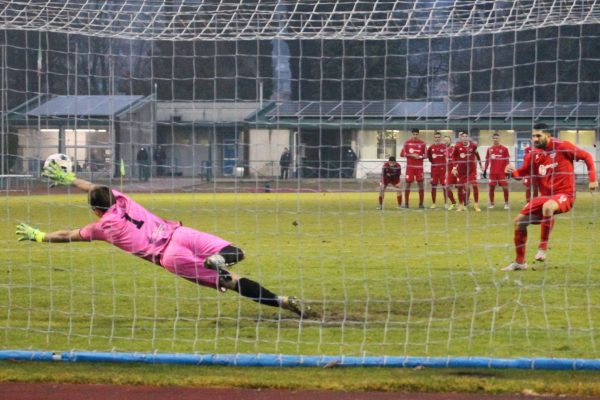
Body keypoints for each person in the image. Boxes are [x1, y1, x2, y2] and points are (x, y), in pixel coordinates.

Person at [15, 163, 314, 318]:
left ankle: (281, 302)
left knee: (231, 282)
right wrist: (72, 180)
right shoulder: (123, 199)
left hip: (170, 257)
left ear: (94, 210)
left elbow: (66, 236)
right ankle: (229, 265)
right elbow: (96, 188)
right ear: (112, 195)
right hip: (179, 233)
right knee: (236, 251)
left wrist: (38, 235)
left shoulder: (102, 227)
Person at [502, 123, 597, 271]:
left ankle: (542, 248)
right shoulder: (533, 154)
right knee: (519, 222)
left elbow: (587, 156)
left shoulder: (562, 146)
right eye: (533, 136)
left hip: (565, 195)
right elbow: (521, 174)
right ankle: (520, 262)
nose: (535, 139)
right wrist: (511, 172)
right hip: (545, 197)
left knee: (548, 207)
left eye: (538, 136)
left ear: (548, 135)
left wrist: (592, 179)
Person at [451, 130, 484, 212]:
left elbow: (477, 155)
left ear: (468, 137)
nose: (465, 138)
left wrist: (481, 165)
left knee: (475, 185)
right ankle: (460, 205)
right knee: (459, 187)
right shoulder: (457, 147)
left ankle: (476, 205)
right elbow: (454, 157)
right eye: (463, 137)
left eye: (466, 136)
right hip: (461, 171)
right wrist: (454, 168)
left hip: (471, 171)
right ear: (461, 138)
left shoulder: (473, 146)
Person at [400, 128, 426, 208]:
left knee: (421, 185)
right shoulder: (407, 143)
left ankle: (421, 204)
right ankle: (406, 204)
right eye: (414, 134)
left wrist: (420, 156)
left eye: (416, 134)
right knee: (407, 185)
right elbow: (401, 154)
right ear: (411, 134)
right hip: (410, 168)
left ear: (418, 134)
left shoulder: (423, 143)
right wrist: (412, 155)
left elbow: (426, 156)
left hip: (419, 168)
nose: (415, 136)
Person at [483, 133, 511, 209]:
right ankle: (492, 204)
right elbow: (487, 161)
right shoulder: (489, 149)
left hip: (502, 172)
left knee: (505, 187)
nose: (496, 139)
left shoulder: (505, 149)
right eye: (494, 138)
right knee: (491, 187)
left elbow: (507, 161)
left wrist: (508, 170)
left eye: (497, 138)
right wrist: (485, 170)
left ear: (499, 139)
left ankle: (506, 204)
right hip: (493, 172)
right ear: (492, 139)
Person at [426, 131, 448, 209]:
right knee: (434, 186)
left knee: (444, 186)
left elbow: (448, 157)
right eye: (436, 137)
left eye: (439, 137)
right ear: (434, 138)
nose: (437, 139)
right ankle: (433, 203)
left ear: (440, 138)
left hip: (443, 170)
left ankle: (446, 203)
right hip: (434, 169)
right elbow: (429, 158)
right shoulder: (431, 147)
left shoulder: (444, 147)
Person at [443, 135, 458, 210]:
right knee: (446, 187)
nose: (446, 142)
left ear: (450, 141)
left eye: (447, 140)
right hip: (449, 172)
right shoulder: (445, 150)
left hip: (456, 171)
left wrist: (456, 168)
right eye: (445, 140)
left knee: (462, 187)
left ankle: (465, 202)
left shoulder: (454, 148)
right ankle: (454, 203)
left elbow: (457, 159)